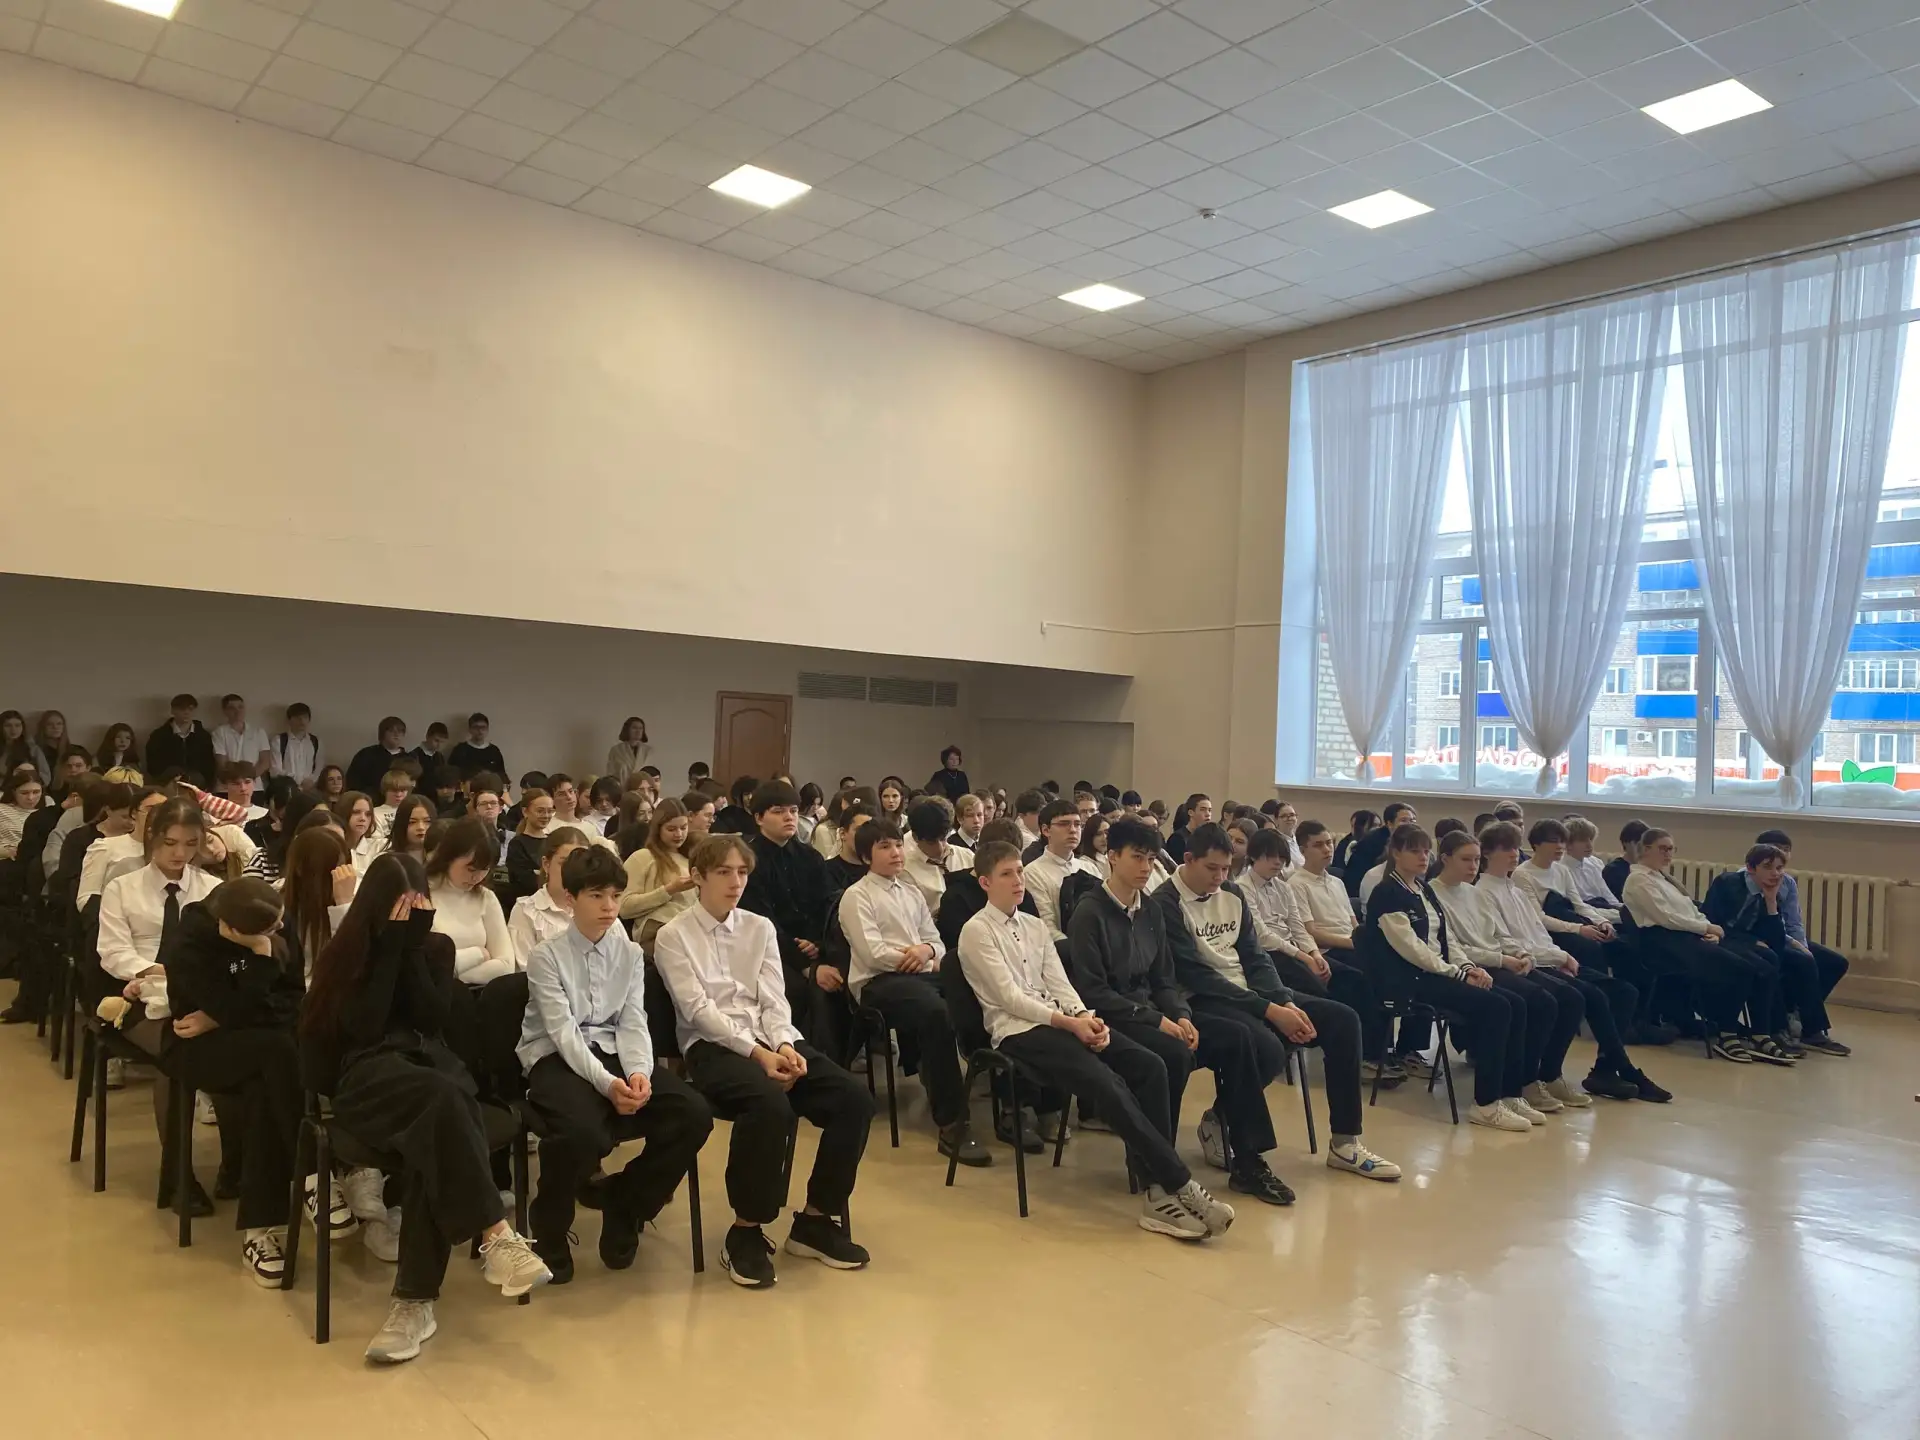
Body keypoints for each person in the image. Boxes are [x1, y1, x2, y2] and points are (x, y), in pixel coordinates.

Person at [302, 852, 550, 1362]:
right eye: (399, 907)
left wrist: (411, 948)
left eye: (417, 906)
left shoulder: (435, 949)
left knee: (434, 1129)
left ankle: (414, 1306)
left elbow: (433, 1018)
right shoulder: (346, 952)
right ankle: (495, 1235)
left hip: (431, 1073)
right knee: (439, 1113)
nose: (409, 915)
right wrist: (389, 948)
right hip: (368, 1078)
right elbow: (363, 1028)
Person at [957, 841, 1233, 1239]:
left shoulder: (1034, 927)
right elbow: (1009, 999)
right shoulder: (975, 931)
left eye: (1019, 871)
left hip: (1063, 1022)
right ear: (985, 882)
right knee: (1107, 1082)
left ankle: (1156, 1191)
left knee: (1150, 1065)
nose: (1018, 880)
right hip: (1018, 1032)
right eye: (1006, 874)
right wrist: (1070, 1024)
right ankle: (1179, 1183)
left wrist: (1086, 1017)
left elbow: (1061, 985)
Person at [653, 833, 873, 1288]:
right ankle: (746, 1229)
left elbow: (774, 998)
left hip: (772, 1039)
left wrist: (786, 1045)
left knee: (854, 1099)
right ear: (697, 877)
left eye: (742, 873)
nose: (736, 882)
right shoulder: (673, 936)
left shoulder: (759, 928)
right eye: (723, 872)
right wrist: (758, 1054)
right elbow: (698, 1011)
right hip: (713, 1048)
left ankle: (815, 1220)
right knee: (770, 1105)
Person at [1154, 824, 1402, 1182]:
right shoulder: (1165, 902)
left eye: (1225, 868)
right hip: (1204, 999)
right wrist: (1270, 1010)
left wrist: (1285, 1000)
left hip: (1249, 991)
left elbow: (1255, 957)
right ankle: (1227, 1123)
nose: (1220, 877)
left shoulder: (1231, 893)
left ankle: (1345, 1143)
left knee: (1342, 1020)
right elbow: (1196, 975)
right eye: (1211, 868)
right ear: (1188, 859)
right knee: (1267, 1045)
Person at [1068, 817, 1294, 1205]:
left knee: (1238, 1037)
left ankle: (1248, 1161)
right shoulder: (1090, 913)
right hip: (1114, 1016)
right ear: (1112, 856)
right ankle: (1159, 1168)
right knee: (1172, 1054)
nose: (1145, 867)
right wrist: (1159, 1020)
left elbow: (1165, 979)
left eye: (1151, 858)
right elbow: (1094, 992)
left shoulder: (1149, 910)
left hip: (1155, 1009)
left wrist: (1182, 1015)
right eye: (1136, 857)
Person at [519, 844, 711, 1283]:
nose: (609, 906)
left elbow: (632, 1020)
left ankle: (626, 1202)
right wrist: (608, 1084)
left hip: (615, 1050)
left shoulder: (629, 953)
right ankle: (549, 1225)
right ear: (571, 899)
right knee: (581, 1132)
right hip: (555, 1056)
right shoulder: (547, 956)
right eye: (596, 896)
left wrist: (640, 1072)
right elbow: (563, 1032)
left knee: (692, 1113)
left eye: (615, 896)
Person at [164, 877, 304, 1284]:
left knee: (265, 1084)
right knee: (277, 1051)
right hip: (197, 1049)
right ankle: (312, 1170)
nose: (281, 930)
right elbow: (213, 1005)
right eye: (270, 930)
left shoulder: (273, 917)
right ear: (231, 929)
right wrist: (261, 957)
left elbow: (293, 999)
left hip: (260, 1044)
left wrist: (221, 1015)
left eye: (280, 923)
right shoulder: (190, 941)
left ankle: (259, 1231)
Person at [1363, 824, 1534, 1132]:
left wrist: (1467, 966)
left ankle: (1510, 1093)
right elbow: (1412, 949)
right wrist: (1456, 973)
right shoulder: (1387, 893)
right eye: (1414, 851)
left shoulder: (1422, 889)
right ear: (1396, 853)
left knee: (1516, 1003)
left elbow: (1446, 939)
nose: (1423, 857)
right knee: (1497, 1007)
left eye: (1426, 851)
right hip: (1408, 980)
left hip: (1436, 973)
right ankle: (1486, 1104)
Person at [836, 819, 987, 1165]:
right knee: (935, 1012)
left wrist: (926, 952)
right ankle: (952, 1122)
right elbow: (873, 953)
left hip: (917, 975)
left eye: (897, 845)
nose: (896, 852)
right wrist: (919, 958)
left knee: (973, 991)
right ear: (866, 856)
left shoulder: (911, 891)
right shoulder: (856, 896)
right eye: (884, 847)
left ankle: (996, 1090)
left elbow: (935, 942)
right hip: (877, 983)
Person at [97, 797, 223, 1200]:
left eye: (190, 844)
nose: (179, 853)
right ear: (152, 837)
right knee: (177, 1051)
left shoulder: (212, 889)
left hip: (197, 997)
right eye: (170, 843)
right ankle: (177, 1171)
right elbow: (112, 952)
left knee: (242, 1045)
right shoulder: (122, 887)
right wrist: (152, 972)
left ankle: (237, 1163)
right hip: (136, 997)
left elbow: (225, 955)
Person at [1245, 827, 1398, 1085]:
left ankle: (1375, 1053)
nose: (1277, 863)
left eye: (1281, 857)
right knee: (1331, 992)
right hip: (1270, 955)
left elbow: (1298, 928)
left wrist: (1314, 954)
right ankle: (1344, 1051)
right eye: (1270, 857)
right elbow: (1263, 936)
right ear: (1253, 856)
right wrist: (1307, 957)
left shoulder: (1282, 887)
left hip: (1296, 950)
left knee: (1365, 978)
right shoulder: (1244, 888)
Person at [1622, 830, 1788, 1065]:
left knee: (1763, 966)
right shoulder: (1638, 879)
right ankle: (1727, 1035)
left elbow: (1691, 910)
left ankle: (1761, 1033)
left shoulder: (1663, 878)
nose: (1668, 854)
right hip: (1662, 944)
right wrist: (1705, 928)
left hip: (1685, 936)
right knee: (1740, 969)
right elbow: (1665, 917)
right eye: (1663, 848)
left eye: (1671, 849)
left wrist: (1705, 927)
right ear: (1646, 849)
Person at [1704, 841, 1845, 1060]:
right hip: (1722, 937)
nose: (1775, 873)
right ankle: (1768, 1030)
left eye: (1779, 868)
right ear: (1751, 868)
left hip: (1753, 942)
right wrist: (1751, 941)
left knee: (1796, 959)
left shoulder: (1773, 891)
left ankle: (1802, 1030)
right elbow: (1713, 919)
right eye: (1768, 867)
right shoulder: (1727, 883)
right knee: (1765, 961)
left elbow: (1776, 941)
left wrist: (1771, 901)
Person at [1745, 830, 1849, 1056]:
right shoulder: (1743, 879)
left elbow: (1793, 921)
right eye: (1775, 849)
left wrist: (1802, 945)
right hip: (1759, 938)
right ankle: (1811, 1030)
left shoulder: (1788, 882)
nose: (1781, 854)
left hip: (1785, 935)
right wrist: (1797, 948)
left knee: (1835, 962)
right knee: (1802, 962)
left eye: (1786, 850)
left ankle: (1796, 1012)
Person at [738, 779, 830, 1009]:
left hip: (814, 946)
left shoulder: (811, 857)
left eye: (794, 811)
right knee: (796, 991)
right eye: (778, 812)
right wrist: (804, 963)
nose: (789, 817)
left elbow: (825, 905)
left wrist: (817, 943)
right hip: (768, 950)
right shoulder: (747, 860)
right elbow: (760, 918)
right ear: (759, 818)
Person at [427, 817, 517, 988]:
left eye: (485, 870)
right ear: (449, 856)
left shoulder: (486, 897)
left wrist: (451, 973)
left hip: (476, 994)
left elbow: (506, 966)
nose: (477, 878)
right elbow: (424, 967)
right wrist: (478, 954)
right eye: (470, 869)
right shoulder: (422, 893)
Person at [509, 827, 588, 966]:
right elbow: (525, 969)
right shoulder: (526, 911)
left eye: (582, 865)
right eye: (564, 863)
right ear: (546, 864)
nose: (573, 872)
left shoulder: (598, 907)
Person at [146, 694, 218, 787]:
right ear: (173, 711)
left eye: (190, 709)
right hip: (168, 783)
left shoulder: (203, 736)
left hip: (197, 784)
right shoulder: (159, 735)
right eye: (182, 709)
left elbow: (209, 764)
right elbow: (153, 763)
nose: (186, 712)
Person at [1346, 802, 1414, 899]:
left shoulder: (1413, 841)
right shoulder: (1373, 842)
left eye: (1412, 821)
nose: (1410, 825)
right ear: (1390, 824)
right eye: (1404, 820)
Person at [210, 694, 272, 794]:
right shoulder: (219, 733)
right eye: (232, 708)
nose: (237, 711)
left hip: (254, 788)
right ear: (225, 711)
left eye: (240, 707)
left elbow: (265, 762)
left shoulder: (258, 732)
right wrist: (237, 781)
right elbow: (222, 762)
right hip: (227, 788)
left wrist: (248, 780)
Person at [503, 788, 554, 906]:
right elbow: (526, 882)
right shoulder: (517, 844)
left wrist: (539, 873)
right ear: (525, 812)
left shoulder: (552, 841)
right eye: (540, 811)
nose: (546, 816)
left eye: (550, 811)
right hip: (527, 905)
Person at [345, 718, 409, 797]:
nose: (396, 734)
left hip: (402, 802)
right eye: (391, 731)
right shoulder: (366, 755)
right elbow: (353, 782)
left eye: (400, 731)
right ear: (382, 734)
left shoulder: (409, 759)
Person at [268, 703, 323, 787]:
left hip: (310, 789)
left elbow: (319, 767)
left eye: (305, 717)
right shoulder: (279, 740)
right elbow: (275, 770)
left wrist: (311, 780)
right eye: (298, 718)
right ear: (289, 720)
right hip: (286, 788)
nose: (302, 721)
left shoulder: (316, 741)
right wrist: (297, 780)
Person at [445, 713, 505, 785]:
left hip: (490, 789)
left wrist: (489, 775)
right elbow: (450, 775)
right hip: (466, 789)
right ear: (470, 729)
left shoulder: (494, 751)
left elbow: (502, 775)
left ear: (487, 729)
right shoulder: (460, 749)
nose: (480, 730)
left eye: (483, 727)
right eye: (476, 727)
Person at [1601, 820, 1648, 901]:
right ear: (1626, 843)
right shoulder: (1613, 870)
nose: (1642, 849)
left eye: (1646, 846)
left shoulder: (1648, 869)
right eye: (1638, 844)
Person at [0, 767, 41, 860]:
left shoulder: (47, 813)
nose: (30, 798)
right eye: (24, 793)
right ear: (14, 792)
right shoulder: (1, 810)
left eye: (36, 792)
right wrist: (5, 852)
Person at [605, 718, 651, 784]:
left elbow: (653, 774)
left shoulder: (649, 751)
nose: (638, 731)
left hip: (642, 788)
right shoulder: (616, 750)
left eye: (640, 728)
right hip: (622, 788)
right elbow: (610, 774)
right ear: (627, 730)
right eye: (634, 728)